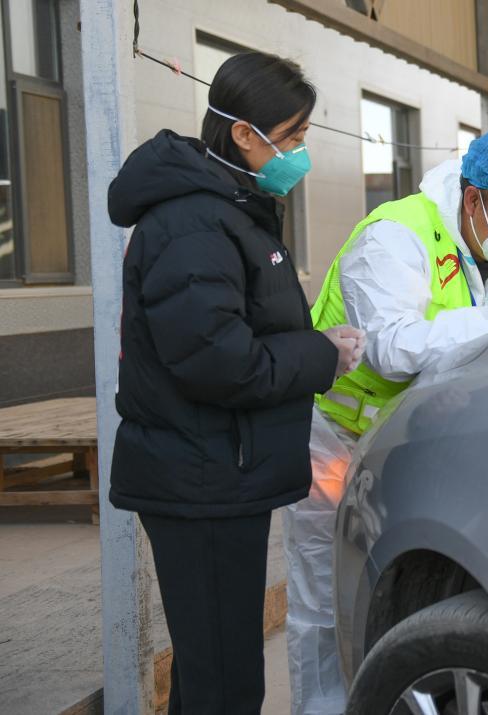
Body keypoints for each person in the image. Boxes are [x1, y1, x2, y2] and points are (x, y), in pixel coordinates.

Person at [107, 52, 365, 715]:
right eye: (295, 136)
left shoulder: (228, 208)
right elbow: (215, 361)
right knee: (225, 680)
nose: (300, 154)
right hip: (201, 478)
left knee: (212, 666)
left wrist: (312, 348)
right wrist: (318, 357)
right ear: (245, 134)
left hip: (219, 470)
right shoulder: (197, 221)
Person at [283, 127, 488, 714]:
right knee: (324, 596)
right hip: (336, 436)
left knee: (409, 582)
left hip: (422, 440)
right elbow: (390, 348)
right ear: (472, 200)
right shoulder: (395, 236)